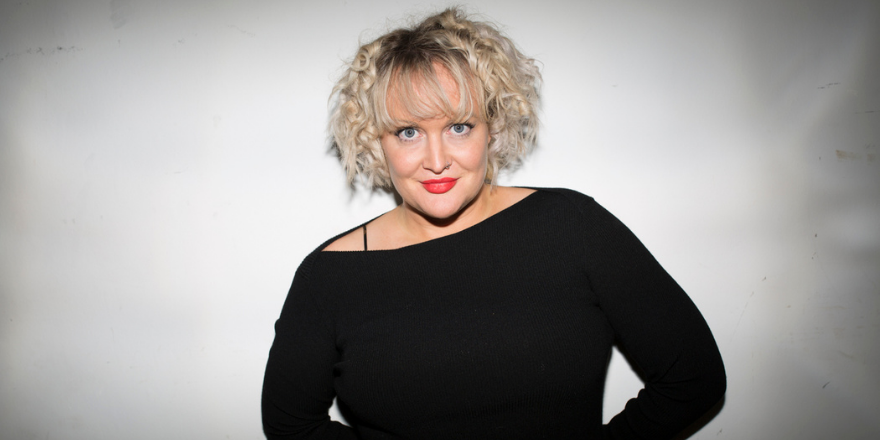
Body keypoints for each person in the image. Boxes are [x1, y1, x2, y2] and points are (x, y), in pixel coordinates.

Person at [262, 8, 725, 440]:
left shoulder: (572, 228)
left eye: (459, 126)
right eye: (408, 132)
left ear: (493, 127)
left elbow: (693, 379)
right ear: (375, 141)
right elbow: (290, 423)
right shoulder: (329, 278)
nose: (437, 160)